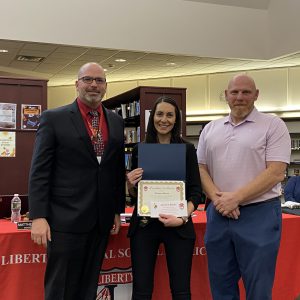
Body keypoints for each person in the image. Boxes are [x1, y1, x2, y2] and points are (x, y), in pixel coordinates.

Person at [28, 62, 125, 300]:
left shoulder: (115, 121)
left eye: (99, 80)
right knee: (60, 288)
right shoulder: (54, 118)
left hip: (100, 222)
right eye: (88, 79)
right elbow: (40, 171)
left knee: (88, 287)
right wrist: (38, 216)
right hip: (64, 222)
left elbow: (114, 170)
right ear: (77, 84)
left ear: (105, 87)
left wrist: (116, 210)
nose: (93, 85)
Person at [197, 74, 291, 300]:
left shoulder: (273, 125)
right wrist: (220, 200)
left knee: (258, 287)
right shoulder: (210, 128)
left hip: (259, 215)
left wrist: (236, 198)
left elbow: (276, 172)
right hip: (219, 214)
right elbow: (201, 169)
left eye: (246, 92)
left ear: (256, 95)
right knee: (220, 285)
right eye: (234, 92)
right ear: (226, 96)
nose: (240, 97)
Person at [126, 96, 202, 300]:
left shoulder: (187, 150)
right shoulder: (139, 150)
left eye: (170, 115)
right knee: (141, 291)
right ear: (153, 118)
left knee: (181, 290)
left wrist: (183, 217)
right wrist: (130, 185)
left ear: (176, 119)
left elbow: (196, 191)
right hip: (144, 226)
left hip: (178, 225)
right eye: (160, 114)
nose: (164, 119)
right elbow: (135, 196)